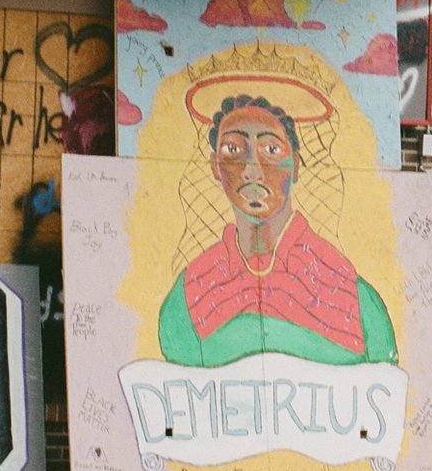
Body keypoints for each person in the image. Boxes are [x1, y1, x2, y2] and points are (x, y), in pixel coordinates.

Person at [158, 88, 396, 368]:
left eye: (271, 149)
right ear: (215, 166)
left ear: (295, 164)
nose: (252, 170)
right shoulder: (188, 296)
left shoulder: (353, 296)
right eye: (232, 149)